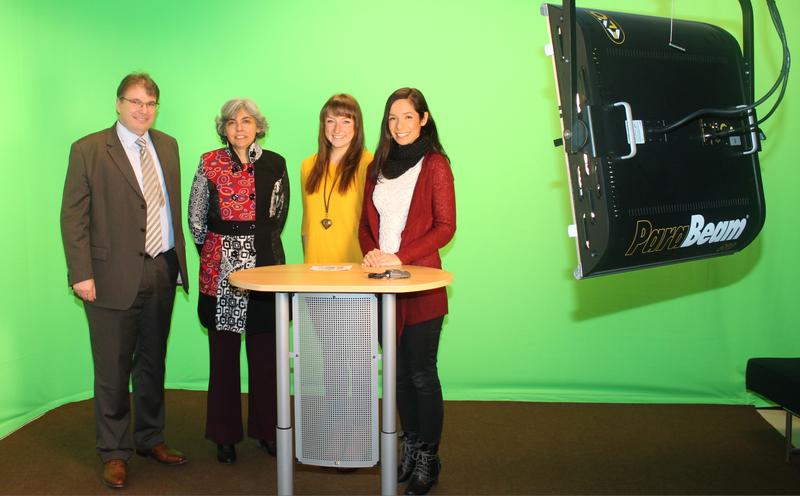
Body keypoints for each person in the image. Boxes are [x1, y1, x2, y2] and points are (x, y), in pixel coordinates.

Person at [60, 73, 189, 489]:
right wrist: (81, 273)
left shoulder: (167, 146)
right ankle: (114, 452)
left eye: (150, 103)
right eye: (135, 102)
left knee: (153, 363)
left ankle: (151, 438)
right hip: (109, 276)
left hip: (161, 268)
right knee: (113, 369)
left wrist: (177, 264)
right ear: (118, 103)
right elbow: (73, 217)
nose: (143, 110)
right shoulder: (89, 149)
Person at [359, 88, 456, 495]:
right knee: (397, 376)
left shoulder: (435, 165)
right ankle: (411, 446)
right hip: (384, 286)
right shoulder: (377, 166)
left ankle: (429, 457)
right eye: (392, 118)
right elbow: (365, 225)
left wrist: (399, 256)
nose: (399, 126)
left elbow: (445, 226)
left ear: (424, 119)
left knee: (421, 373)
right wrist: (373, 255)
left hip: (421, 284)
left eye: (407, 117)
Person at [188, 98, 289, 465]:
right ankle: (224, 435)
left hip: (264, 269)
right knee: (224, 358)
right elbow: (197, 219)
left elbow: (277, 218)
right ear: (224, 129)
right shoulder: (208, 163)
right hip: (220, 273)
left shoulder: (276, 164)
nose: (240, 128)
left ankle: (267, 431)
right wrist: (219, 250)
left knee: (266, 356)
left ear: (258, 126)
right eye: (232, 122)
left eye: (246, 121)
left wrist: (252, 244)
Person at [300, 94, 373, 471]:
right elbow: (308, 227)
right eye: (330, 121)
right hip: (317, 280)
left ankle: (361, 433)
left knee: (359, 361)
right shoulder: (307, 166)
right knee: (331, 361)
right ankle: (336, 428)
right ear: (322, 126)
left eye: (345, 121)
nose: (337, 129)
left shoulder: (369, 163)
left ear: (357, 126)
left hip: (357, 278)